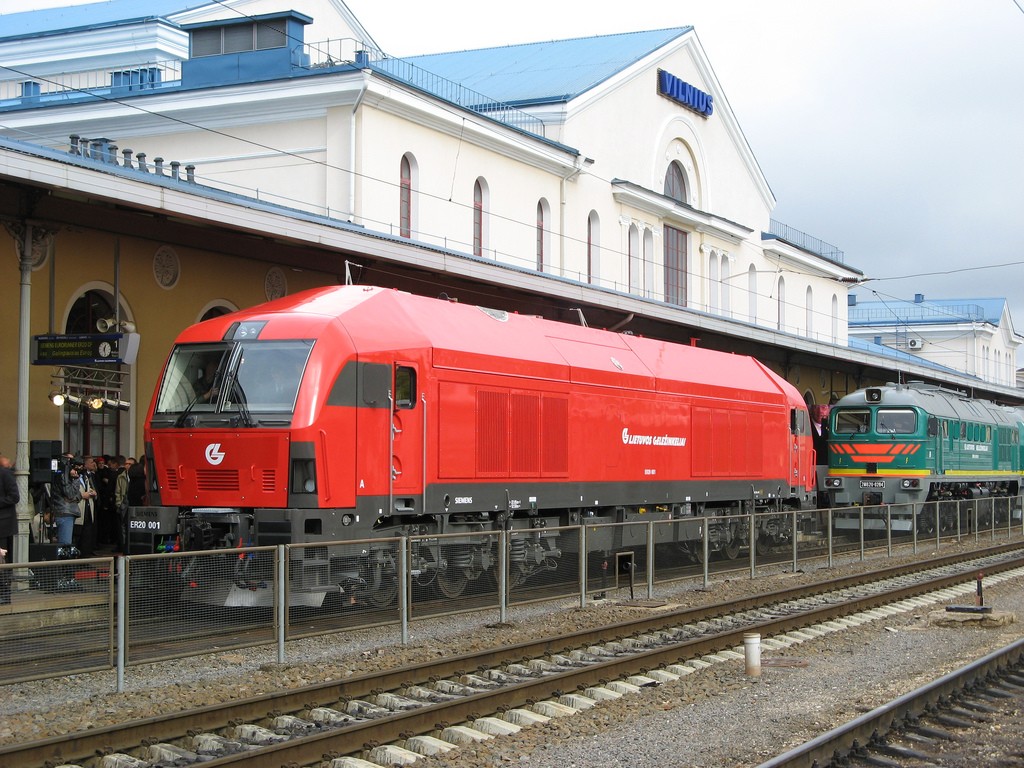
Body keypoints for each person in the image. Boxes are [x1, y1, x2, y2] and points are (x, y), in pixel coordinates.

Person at [0, 455, 19, 604]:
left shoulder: (5, 474)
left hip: (3, 526)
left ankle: (4, 594)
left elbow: (14, 497)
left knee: (3, 562)